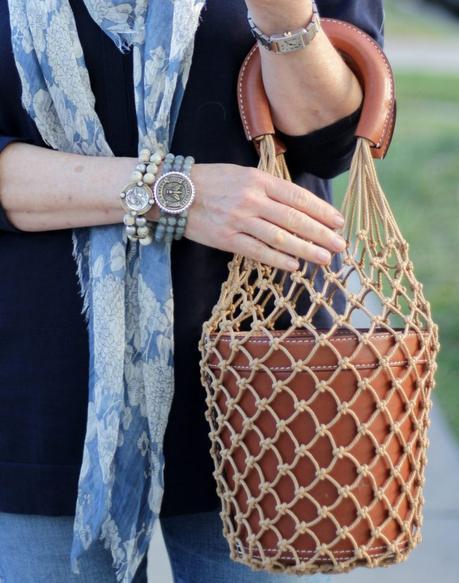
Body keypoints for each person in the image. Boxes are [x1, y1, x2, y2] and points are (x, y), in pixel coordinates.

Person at [0, 0, 384, 581]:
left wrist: (284, 18)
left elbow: (334, 143)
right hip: (43, 398)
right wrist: (178, 193)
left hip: (268, 389)